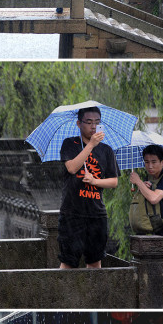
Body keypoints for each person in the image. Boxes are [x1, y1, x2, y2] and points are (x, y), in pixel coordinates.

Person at [58, 104, 119, 269]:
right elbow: (71, 168)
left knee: (94, 261)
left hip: (96, 213)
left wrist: (95, 181)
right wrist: (91, 145)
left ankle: (94, 295)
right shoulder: (70, 144)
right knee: (69, 261)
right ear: (79, 124)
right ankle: (64, 294)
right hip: (72, 212)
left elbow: (113, 181)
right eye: (89, 122)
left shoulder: (106, 150)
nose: (93, 126)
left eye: (97, 122)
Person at [130, 144, 163, 269]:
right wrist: (143, 186)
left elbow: (154, 198)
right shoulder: (149, 179)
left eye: (154, 162)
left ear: (162, 162)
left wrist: (138, 182)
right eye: (146, 162)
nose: (150, 166)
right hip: (155, 236)